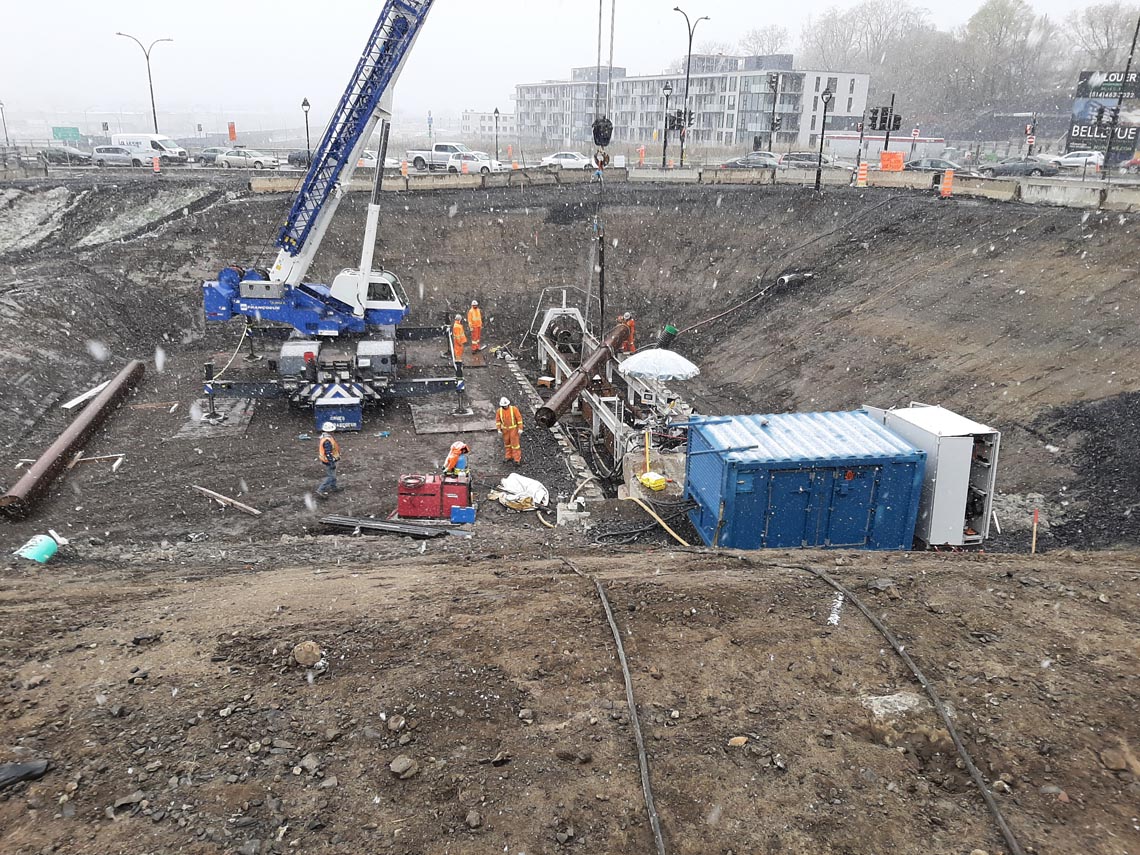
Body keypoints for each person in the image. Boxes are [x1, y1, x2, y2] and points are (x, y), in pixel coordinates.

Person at [495, 396, 523, 464]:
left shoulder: (514, 409)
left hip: (513, 429)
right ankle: (508, 456)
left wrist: (520, 428)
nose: (505, 406)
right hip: (505, 430)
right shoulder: (499, 411)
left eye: (506, 405)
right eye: (504, 406)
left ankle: (517, 459)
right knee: (507, 444)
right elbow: (498, 421)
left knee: (515, 445)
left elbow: (519, 419)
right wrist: (499, 429)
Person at [316, 423, 341, 497]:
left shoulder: (325, 438)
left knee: (332, 474)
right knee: (331, 476)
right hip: (329, 461)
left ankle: (334, 487)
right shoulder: (327, 440)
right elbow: (328, 453)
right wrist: (332, 463)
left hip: (327, 460)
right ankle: (320, 490)